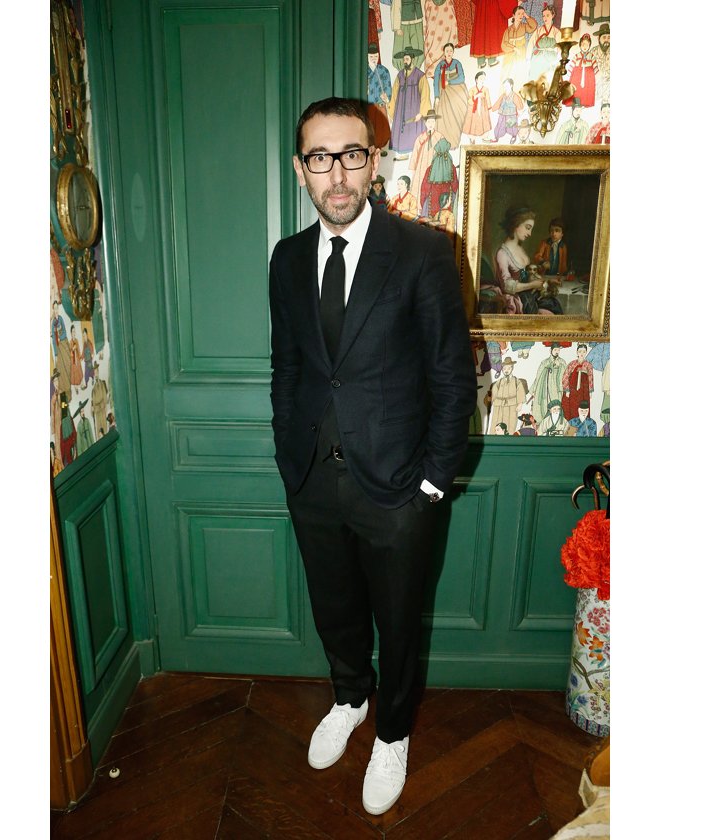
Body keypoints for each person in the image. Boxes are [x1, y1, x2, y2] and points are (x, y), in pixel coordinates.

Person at [269, 97, 476, 817]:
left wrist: (433, 482)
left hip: (399, 488)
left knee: (399, 619)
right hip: (312, 479)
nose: (337, 174)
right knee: (335, 608)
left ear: (374, 161)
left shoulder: (424, 252)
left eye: (351, 155)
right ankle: (350, 697)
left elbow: (453, 378)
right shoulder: (287, 259)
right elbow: (289, 366)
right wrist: (288, 456)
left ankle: (392, 732)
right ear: (300, 169)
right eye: (320, 158)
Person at [488, 356, 530, 434]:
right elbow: (494, 392)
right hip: (499, 406)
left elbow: (520, 392)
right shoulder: (499, 382)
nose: (506, 370)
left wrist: (520, 404)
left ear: (512, 368)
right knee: (496, 423)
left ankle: (509, 438)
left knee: (511, 424)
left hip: (512, 406)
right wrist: (491, 401)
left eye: (508, 368)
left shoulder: (516, 382)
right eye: (504, 369)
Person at [561, 342, 594, 420]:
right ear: (577, 352)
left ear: (586, 352)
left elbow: (590, 378)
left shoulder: (588, 365)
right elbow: (565, 376)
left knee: (583, 407)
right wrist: (567, 390)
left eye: (584, 352)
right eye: (580, 351)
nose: (582, 353)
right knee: (572, 407)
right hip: (573, 390)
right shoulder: (572, 364)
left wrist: (590, 391)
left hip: (584, 391)